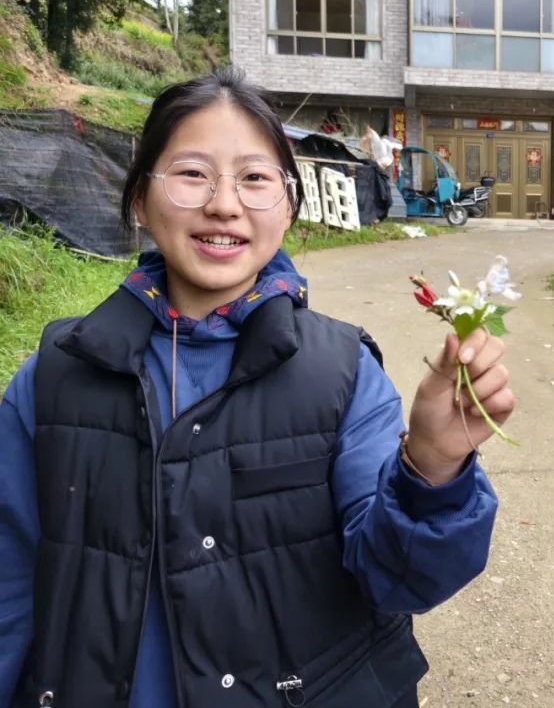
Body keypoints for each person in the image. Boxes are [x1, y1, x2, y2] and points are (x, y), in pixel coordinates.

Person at [0, 69, 513, 708]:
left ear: (289, 205)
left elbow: (400, 581)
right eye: (191, 173)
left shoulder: (345, 372)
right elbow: (11, 585)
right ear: (139, 199)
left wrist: (433, 466)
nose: (224, 203)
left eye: (254, 177)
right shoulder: (54, 375)